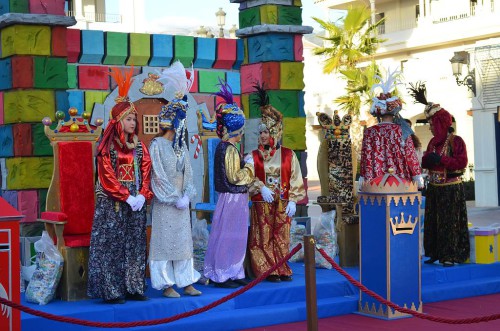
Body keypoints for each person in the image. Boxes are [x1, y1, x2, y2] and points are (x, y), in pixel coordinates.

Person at [88, 67, 153, 304]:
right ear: (117, 121)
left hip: (135, 204)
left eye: (134, 118)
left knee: (135, 244)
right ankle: (112, 290)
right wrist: (126, 196)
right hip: (113, 204)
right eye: (129, 118)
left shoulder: (139, 146)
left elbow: (146, 170)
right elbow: (106, 176)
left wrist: (143, 195)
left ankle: (134, 286)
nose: (133, 122)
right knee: (112, 246)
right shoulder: (107, 147)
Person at [148, 61, 201, 298]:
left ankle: (186, 280)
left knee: (182, 242)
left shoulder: (181, 148)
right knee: (164, 243)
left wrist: (188, 194)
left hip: (181, 203)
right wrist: (173, 198)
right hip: (165, 204)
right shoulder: (157, 145)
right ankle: (166, 283)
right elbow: (157, 176)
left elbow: (188, 174)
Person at [247, 83, 306, 283]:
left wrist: (293, 200)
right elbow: (246, 177)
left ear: (275, 132)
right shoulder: (252, 156)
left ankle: (281, 266)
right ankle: (266, 268)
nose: (263, 135)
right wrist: (260, 187)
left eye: (267, 131)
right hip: (261, 203)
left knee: (281, 236)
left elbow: (295, 177)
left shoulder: (288, 154)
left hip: (282, 202)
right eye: (261, 131)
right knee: (262, 236)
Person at [408, 81, 469, 267]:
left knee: (450, 223)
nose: (430, 127)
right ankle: (435, 252)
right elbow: (425, 161)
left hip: (451, 189)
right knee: (433, 222)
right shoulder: (433, 142)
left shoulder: (456, 141)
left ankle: (450, 254)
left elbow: (462, 163)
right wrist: (429, 160)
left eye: (432, 124)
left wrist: (441, 160)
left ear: (441, 123)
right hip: (434, 188)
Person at [203, 80, 255, 288]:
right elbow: (235, 176)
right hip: (233, 197)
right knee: (229, 235)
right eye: (241, 130)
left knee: (233, 235)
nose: (242, 134)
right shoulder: (229, 149)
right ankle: (223, 272)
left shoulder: (226, 148)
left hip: (233, 197)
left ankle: (233, 270)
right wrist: (250, 166)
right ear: (236, 130)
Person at [359, 70, 423, 187]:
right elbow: (410, 156)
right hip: (399, 181)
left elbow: (365, 158)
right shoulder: (402, 130)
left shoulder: (369, 132)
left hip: (375, 181)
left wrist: (363, 177)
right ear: (394, 113)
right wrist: (417, 176)